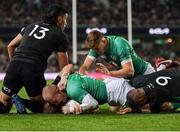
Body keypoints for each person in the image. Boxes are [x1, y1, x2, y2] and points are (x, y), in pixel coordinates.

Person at [0, 4, 70, 113]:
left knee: (4, 102)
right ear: (59, 18)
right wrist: (55, 84)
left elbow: (11, 46)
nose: (66, 23)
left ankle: (9, 102)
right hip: (32, 69)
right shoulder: (60, 35)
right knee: (45, 105)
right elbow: (64, 68)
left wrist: (14, 64)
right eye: (65, 19)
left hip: (15, 65)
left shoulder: (31, 26)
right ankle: (23, 102)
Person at [42, 65, 135, 114]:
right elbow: (69, 66)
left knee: (143, 104)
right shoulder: (68, 80)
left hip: (115, 91)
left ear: (58, 91)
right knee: (114, 108)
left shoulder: (72, 90)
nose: (56, 104)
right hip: (110, 86)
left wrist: (72, 109)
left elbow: (94, 104)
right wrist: (64, 76)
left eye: (54, 101)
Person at [79, 30, 155, 79]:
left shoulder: (119, 44)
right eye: (94, 49)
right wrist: (82, 73)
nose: (96, 51)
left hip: (144, 73)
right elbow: (85, 66)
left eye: (97, 49)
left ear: (103, 41)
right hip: (129, 78)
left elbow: (129, 71)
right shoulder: (96, 47)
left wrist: (110, 73)